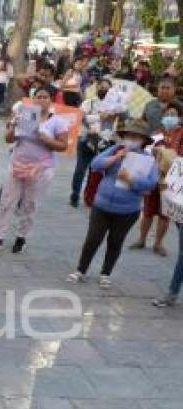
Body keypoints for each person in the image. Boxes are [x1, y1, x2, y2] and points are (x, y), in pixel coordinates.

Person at [68, 120, 159, 289]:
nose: (131, 139)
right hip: (102, 205)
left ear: (143, 140)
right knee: (92, 239)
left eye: (136, 137)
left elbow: (150, 184)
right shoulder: (115, 149)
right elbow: (95, 164)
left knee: (115, 242)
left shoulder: (148, 160)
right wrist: (116, 157)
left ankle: (105, 273)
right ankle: (80, 270)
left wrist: (131, 180)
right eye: (129, 136)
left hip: (127, 210)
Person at [0, 85, 70, 254]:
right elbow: (8, 139)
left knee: (30, 204)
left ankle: (21, 237)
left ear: (51, 100)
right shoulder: (24, 115)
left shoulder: (58, 121)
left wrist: (43, 136)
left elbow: (62, 146)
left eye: (45, 97)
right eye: (38, 96)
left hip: (41, 168)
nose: (41, 99)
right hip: (18, 163)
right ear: (33, 98)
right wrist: (14, 127)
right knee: (6, 201)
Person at [131, 103, 183, 255]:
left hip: (171, 180)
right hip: (153, 176)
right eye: (168, 114)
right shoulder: (156, 135)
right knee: (147, 210)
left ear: (179, 117)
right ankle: (141, 239)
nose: (170, 118)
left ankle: (158, 243)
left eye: (174, 115)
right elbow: (146, 152)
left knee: (165, 213)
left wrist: (166, 155)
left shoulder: (181, 134)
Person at [70, 77, 126, 207]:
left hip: (105, 141)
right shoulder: (89, 103)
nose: (104, 90)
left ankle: (89, 197)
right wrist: (99, 116)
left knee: (95, 170)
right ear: (96, 88)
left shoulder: (116, 107)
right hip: (87, 139)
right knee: (80, 169)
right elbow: (82, 118)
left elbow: (125, 119)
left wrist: (119, 110)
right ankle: (74, 195)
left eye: (107, 88)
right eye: (101, 87)